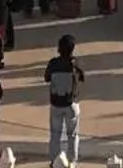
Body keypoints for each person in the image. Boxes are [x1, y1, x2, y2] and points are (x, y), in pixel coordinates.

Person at [45, 32, 84, 166]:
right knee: (72, 135)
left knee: (55, 135)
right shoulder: (75, 63)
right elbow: (82, 77)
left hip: (56, 104)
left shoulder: (53, 63)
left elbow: (46, 78)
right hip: (71, 104)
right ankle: (72, 162)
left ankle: (54, 162)